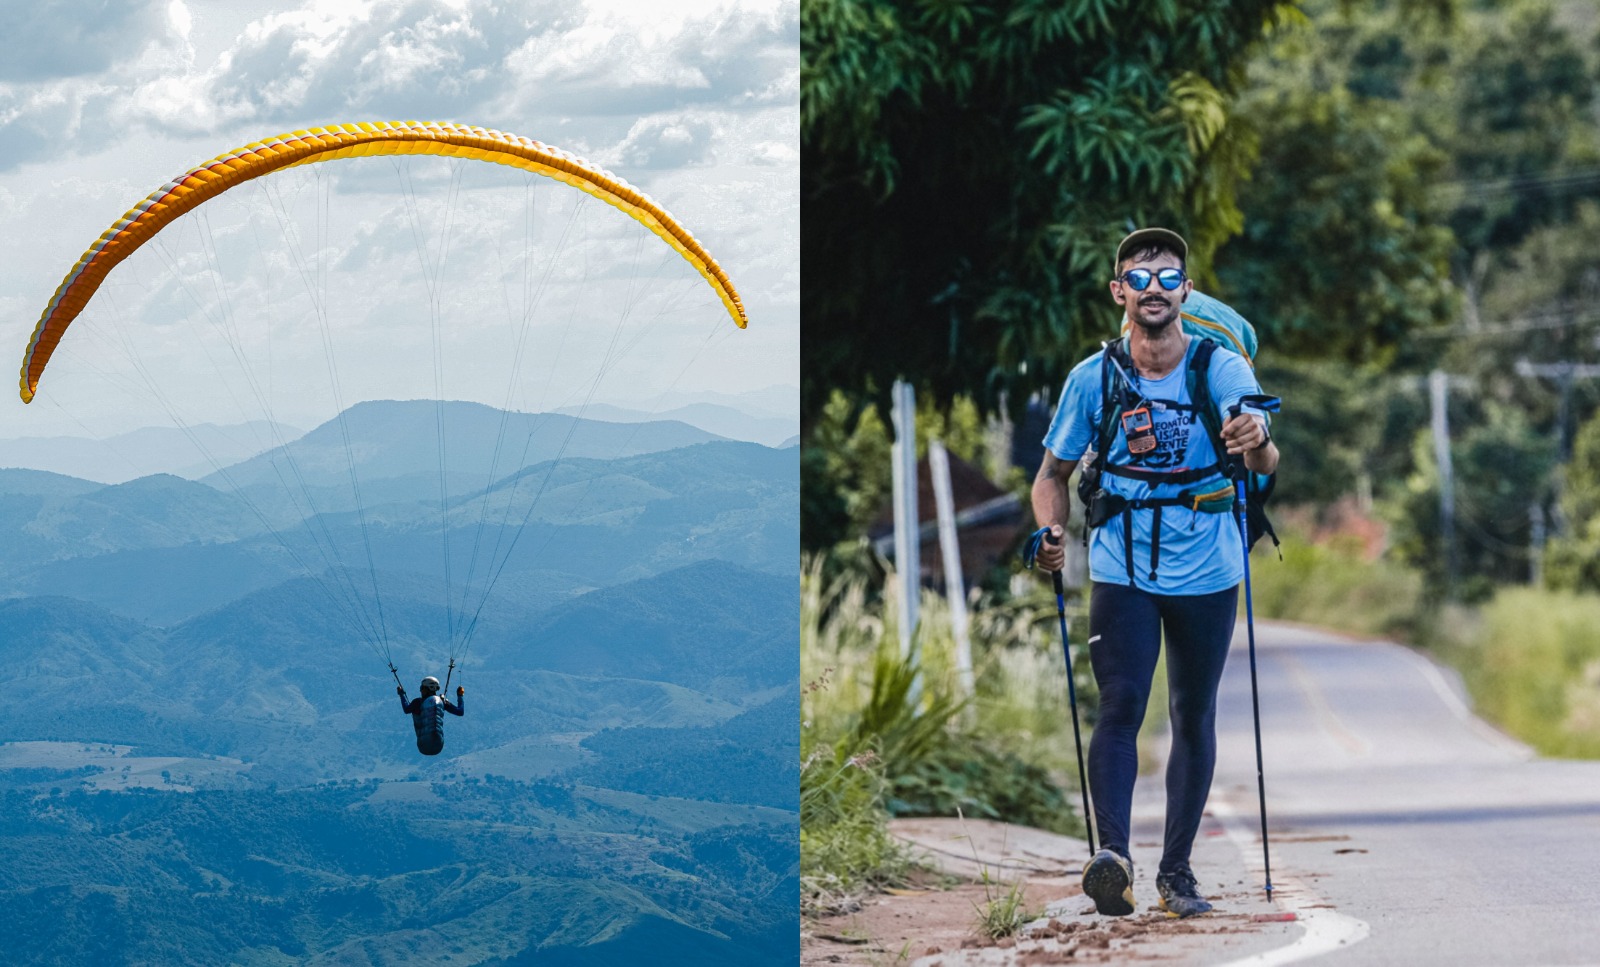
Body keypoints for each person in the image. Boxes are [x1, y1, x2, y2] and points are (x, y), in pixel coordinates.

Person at [1029, 228, 1279, 919]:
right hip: (1123, 563)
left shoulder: (1219, 366)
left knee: (1191, 712)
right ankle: (1114, 859)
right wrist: (1050, 529)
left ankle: (1176, 872)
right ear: (1120, 294)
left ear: (1186, 291)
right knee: (1120, 704)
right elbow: (1051, 475)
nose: (1155, 291)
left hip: (1208, 564)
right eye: (1140, 280)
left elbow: (1262, 453)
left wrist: (1253, 439)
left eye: (1168, 278)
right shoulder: (1095, 377)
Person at [397, 676, 465, 756]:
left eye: (422, 688)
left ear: (426, 689)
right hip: (439, 746)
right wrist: (460, 695)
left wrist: (401, 694)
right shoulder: (443, 702)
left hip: (423, 746)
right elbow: (460, 712)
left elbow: (406, 710)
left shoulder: (417, 702)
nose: (420, 690)